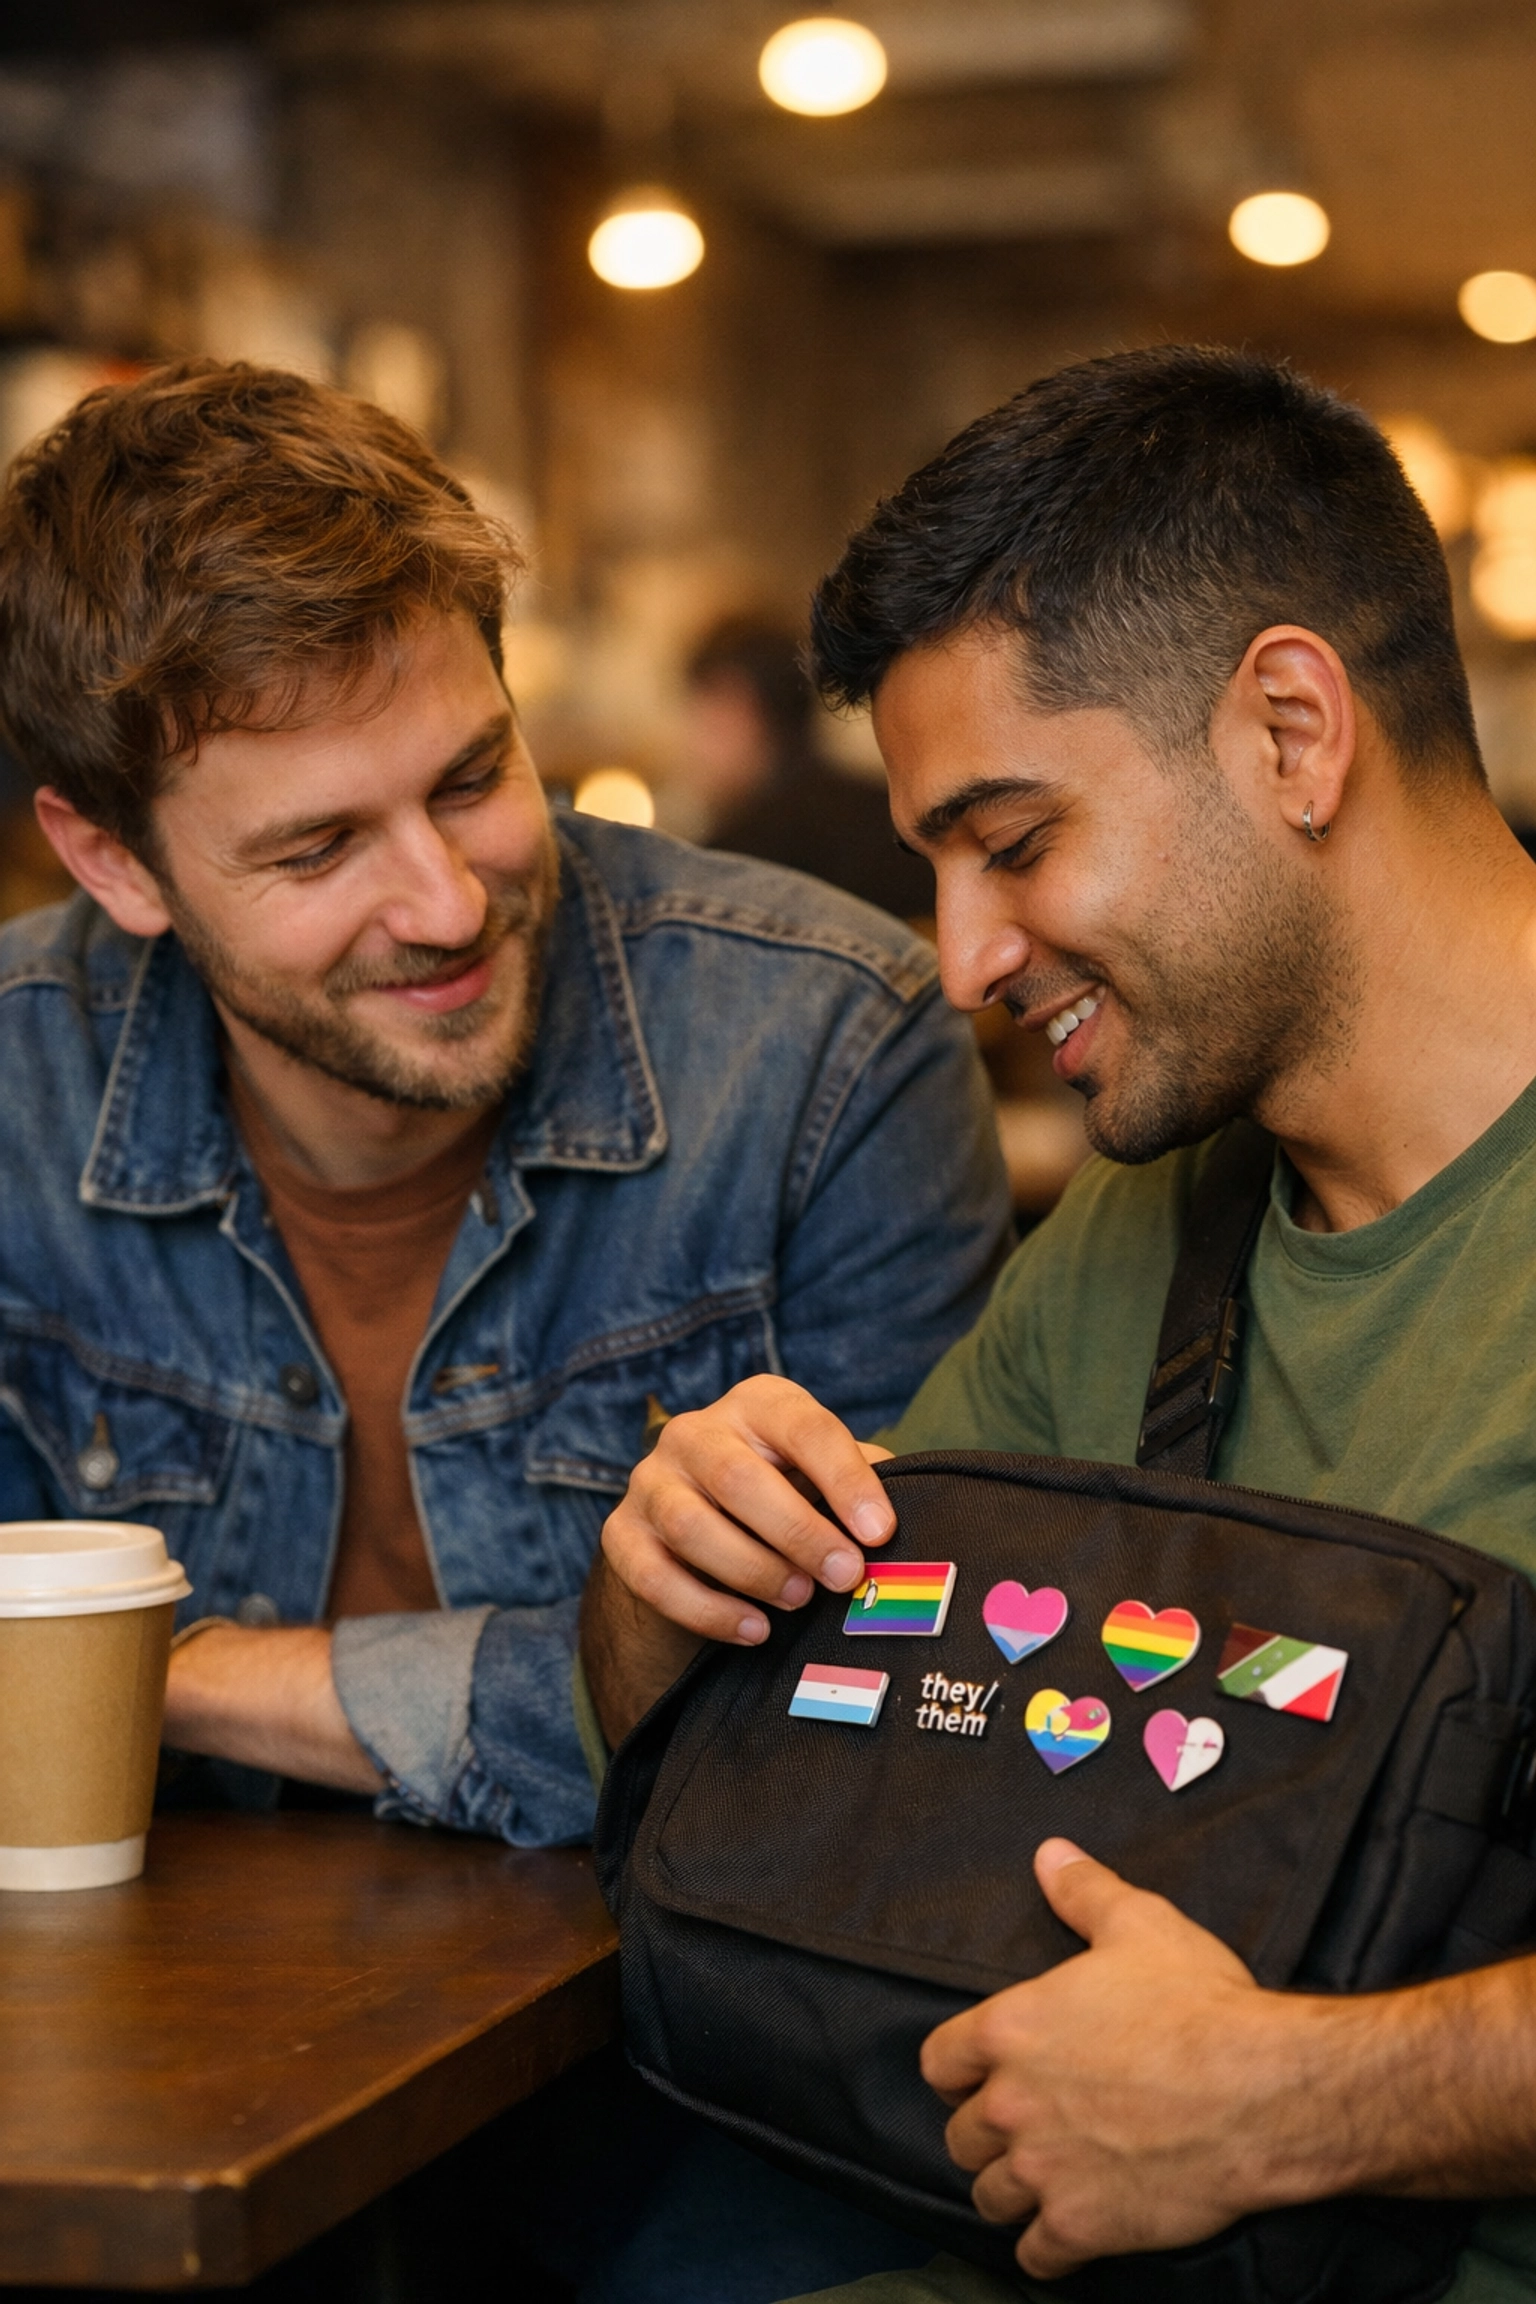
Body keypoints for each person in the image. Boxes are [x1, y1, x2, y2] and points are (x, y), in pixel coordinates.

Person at [584, 346, 1536, 2304]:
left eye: (1015, 845)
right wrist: (662, 1590)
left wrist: (1294, 2099)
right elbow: (795, 1770)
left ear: (1290, 729)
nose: (962, 962)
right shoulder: (1140, 1226)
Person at [0, 357, 1010, 1843]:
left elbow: (902, 1707)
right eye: (319, 848)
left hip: (658, 2044)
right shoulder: (22, 1088)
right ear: (116, 866)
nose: (447, 900)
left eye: (473, 776)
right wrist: (579, 1676)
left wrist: (165, 1674)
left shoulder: (824, 1046)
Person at [684, 615, 936, 920]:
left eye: (707, 719)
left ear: (741, 707)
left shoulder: (738, 853)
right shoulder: (896, 812)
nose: (693, 744)